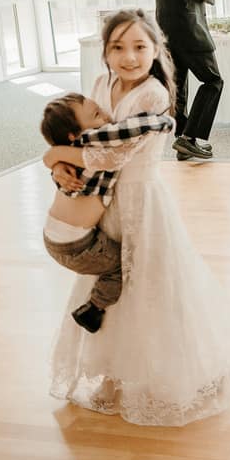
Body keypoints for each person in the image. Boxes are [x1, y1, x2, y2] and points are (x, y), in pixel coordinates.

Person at [48, 9, 230, 425]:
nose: (129, 57)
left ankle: (178, 370)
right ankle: (114, 373)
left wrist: (60, 155)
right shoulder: (101, 84)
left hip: (143, 202)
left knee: (151, 283)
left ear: (155, 50)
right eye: (117, 48)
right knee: (110, 282)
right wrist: (60, 165)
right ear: (105, 52)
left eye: (139, 47)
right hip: (106, 203)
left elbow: (112, 153)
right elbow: (79, 139)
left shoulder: (153, 95)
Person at [39, 93, 174, 332]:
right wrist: (165, 122)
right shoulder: (94, 140)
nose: (106, 116)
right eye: (96, 115)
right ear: (75, 135)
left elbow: (54, 160)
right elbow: (131, 129)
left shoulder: (69, 151)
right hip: (78, 246)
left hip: (53, 236)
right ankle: (94, 308)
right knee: (122, 266)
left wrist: (55, 160)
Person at [144, 0, 222, 161]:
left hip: (166, 33)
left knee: (180, 87)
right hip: (189, 32)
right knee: (213, 82)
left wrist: (172, 0)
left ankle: (182, 140)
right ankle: (189, 138)